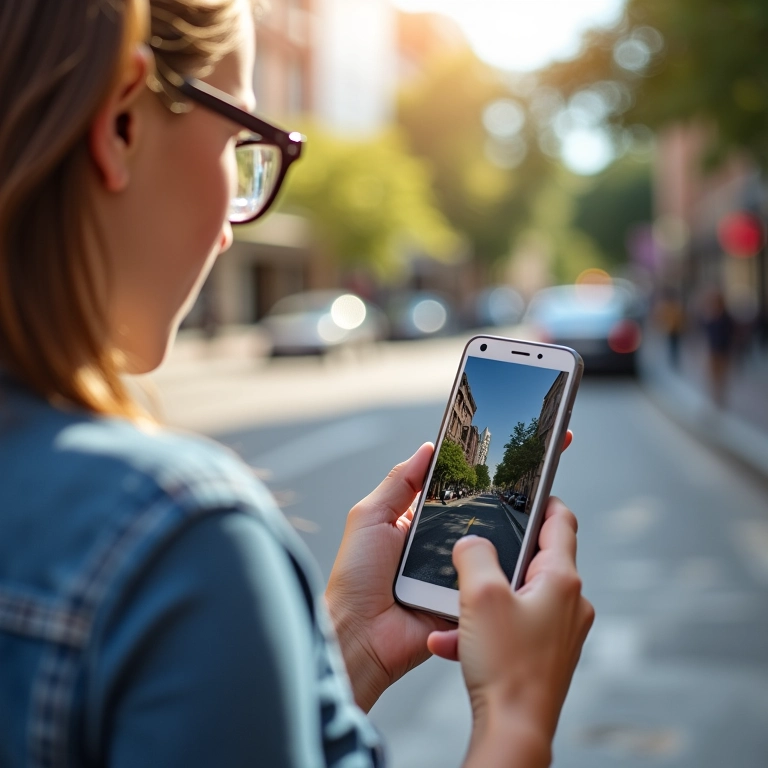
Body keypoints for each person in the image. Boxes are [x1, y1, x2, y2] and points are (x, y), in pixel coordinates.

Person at [0, 1, 594, 766]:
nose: (231, 226)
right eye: (240, 142)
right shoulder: (172, 537)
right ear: (122, 124)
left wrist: (349, 646)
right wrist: (517, 710)